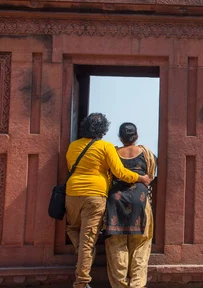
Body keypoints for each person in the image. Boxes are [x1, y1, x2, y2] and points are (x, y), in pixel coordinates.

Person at [65, 113, 151, 288]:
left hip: (73, 193)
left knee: (73, 229)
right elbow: (119, 172)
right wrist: (141, 178)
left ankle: (86, 258)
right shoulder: (106, 147)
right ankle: (82, 281)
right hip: (96, 196)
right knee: (89, 241)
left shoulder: (73, 146)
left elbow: (69, 166)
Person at [104, 122, 157, 288]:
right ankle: (137, 285)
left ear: (120, 137)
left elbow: (108, 174)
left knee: (116, 245)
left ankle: (120, 285)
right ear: (137, 136)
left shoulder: (113, 153)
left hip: (116, 202)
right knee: (141, 244)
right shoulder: (146, 152)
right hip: (139, 200)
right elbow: (151, 174)